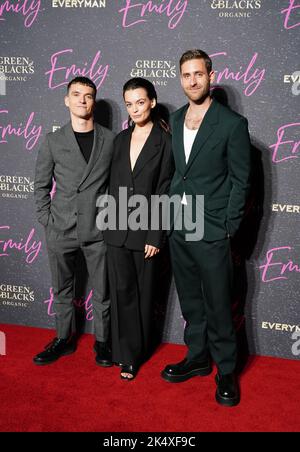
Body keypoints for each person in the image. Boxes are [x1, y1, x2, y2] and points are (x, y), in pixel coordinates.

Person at [161, 50, 252, 406]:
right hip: (179, 225)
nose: (193, 81)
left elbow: (241, 182)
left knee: (218, 303)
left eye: (199, 74)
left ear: (211, 76)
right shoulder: (174, 118)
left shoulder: (231, 124)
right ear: (180, 79)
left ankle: (226, 369)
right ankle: (197, 357)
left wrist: (227, 226)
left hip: (212, 227)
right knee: (191, 300)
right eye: (186, 75)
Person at [33, 76, 114, 367]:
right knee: (62, 289)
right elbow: (40, 185)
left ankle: (103, 342)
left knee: (103, 291)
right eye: (76, 94)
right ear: (67, 100)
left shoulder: (110, 140)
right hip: (61, 229)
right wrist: (48, 220)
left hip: (98, 230)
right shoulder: (53, 141)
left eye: (88, 95)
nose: (82, 99)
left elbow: (118, 185)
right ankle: (63, 338)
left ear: (93, 101)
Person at [102, 78, 174, 380]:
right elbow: (110, 185)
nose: (134, 109)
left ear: (153, 102)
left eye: (140, 102)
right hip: (117, 229)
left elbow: (165, 189)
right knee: (120, 292)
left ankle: (134, 355)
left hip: (146, 232)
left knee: (142, 294)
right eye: (129, 104)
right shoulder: (119, 140)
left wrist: (155, 234)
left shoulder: (165, 141)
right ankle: (122, 351)